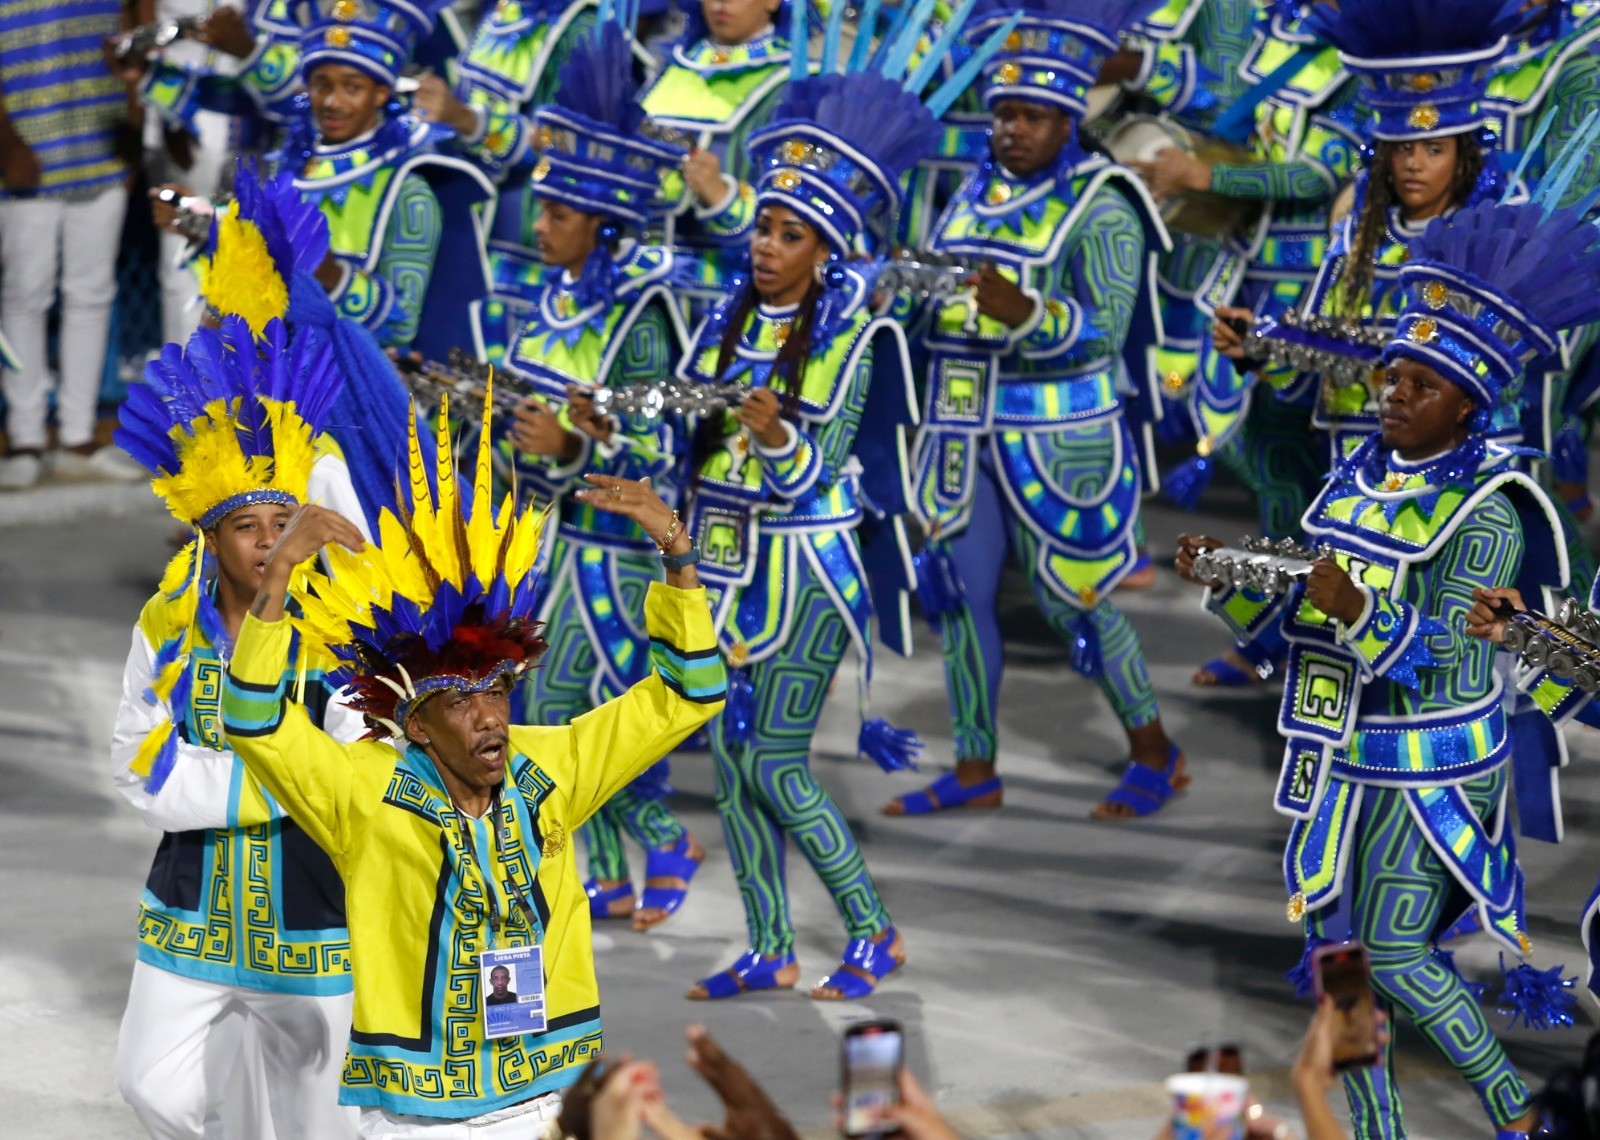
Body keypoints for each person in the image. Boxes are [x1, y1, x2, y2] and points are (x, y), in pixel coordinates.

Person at [1175, 196, 1600, 1140]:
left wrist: (1354, 608)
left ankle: (1518, 1114)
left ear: (1467, 403)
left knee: (1400, 955)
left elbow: (1448, 652)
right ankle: (1373, 1131)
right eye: (1390, 375)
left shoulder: (1486, 512)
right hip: (1342, 749)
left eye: (1419, 383)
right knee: (1338, 955)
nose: (1392, 393)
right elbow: (1293, 610)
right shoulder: (1357, 477)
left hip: (1432, 759)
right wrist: (1232, 581)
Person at [218, 390, 726, 1134]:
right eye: (458, 701)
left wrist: (677, 552)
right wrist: (276, 584)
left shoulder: (551, 768)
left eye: (496, 690)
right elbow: (253, 720)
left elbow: (689, 691)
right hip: (423, 1117)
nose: (489, 714)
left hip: (550, 1088)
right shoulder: (366, 791)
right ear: (414, 726)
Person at [674, 0, 980, 997]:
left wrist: (767, 434)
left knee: (774, 761)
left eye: (790, 234)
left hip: (804, 566)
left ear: (827, 252)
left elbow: (812, 475)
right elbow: (683, 439)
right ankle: (766, 945)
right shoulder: (726, 317)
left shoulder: (855, 339)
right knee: (728, 757)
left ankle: (870, 927)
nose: (765, 245)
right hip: (721, 563)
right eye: (761, 224)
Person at [884, 0, 1185, 821]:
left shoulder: (1107, 205)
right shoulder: (970, 196)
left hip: (1059, 437)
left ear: (1066, 120)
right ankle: (976, 766)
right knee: (958, 597)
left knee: (1073, 604)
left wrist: (1025, 314)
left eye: (1034, 117)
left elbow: (1105, 335)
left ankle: (1156, 750)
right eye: (1004, 114)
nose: (1013, 130)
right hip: (959, 429)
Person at [110, 316, 367, 1139]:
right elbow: (138, 767)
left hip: (317, 917)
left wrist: (235, 778)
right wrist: (287, 781)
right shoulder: (167, 624)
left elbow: (359, 765)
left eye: (281, 525)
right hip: (191, 911)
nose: (268, 544)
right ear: (210, 536)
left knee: (319, 1124)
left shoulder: (338, 632)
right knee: (151, 1087)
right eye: (246, 528)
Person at [498, 19, 704, 930]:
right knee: (545, 710)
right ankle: (606, 869)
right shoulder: (539, 299)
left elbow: (661, 450)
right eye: (541, 210)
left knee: (614, 713)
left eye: (559, 215)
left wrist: (576, 452)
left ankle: (665, 838)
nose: (540, 226)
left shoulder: (644, 317)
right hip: (543, 543)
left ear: (605, 223)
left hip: (616, 552)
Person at [1135, 3, 1363, 688]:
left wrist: (1210, 178)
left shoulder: (1356, 51)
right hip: (1246, 271)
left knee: (1312, 470)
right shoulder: (1268, 32)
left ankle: (1325, 637)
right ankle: (1279, 630)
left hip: (1315, 290)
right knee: (1262, 459)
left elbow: (1322, 172)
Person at [1211, 0, 1516, 467]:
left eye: (1434, 149)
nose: (1414, 163)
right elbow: (1306, 376)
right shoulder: (1356, 238)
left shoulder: (1486, 244)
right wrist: (1256, 350)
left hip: (1454, 468)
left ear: (1464, 159)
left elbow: (1501, 379)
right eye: (1402, 149)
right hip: (1352, 460)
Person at [0, 0, 140, 491]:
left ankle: (78, 438)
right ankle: (25, 438)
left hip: (101, 149)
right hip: (25, 155)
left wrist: (134, 132)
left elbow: (128, 35)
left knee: (91, 294)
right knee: (24, 296)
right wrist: (7, 143)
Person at [637, 0, 801, 312]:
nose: (720, 3)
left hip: (729, 298)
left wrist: (723, 198)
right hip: (643, 286)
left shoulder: (793, 86)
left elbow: (804, 225)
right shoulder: (671, 70)